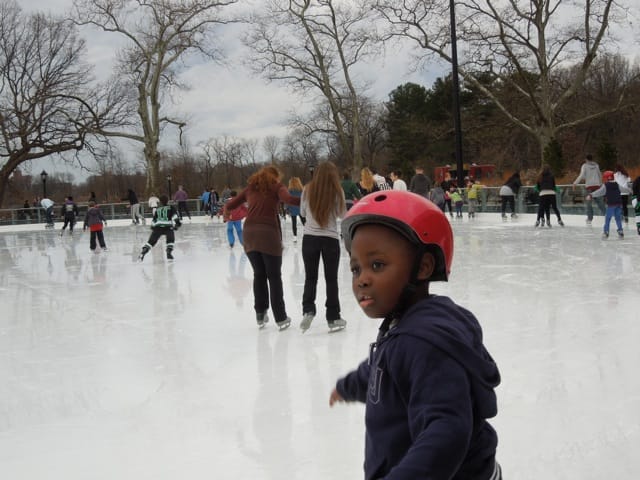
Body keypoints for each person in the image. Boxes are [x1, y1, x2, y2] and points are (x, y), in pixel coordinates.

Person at [329, 190, 501, 480]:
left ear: (422, 267)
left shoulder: (424, 344)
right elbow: (381, 368)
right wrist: (349, 386)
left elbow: (445, 431)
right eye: (356, 268)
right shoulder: (405, 327)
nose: (362, 279)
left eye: (377, 265)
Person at [223, 165, 301, 330]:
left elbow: (230, 205)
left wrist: (226, 213)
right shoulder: (277, 186)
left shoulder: (251, 188)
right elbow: (289, 200)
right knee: (274, 276)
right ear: (275, 177)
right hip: (268, 234)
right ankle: (280, 318)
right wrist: (311, 199)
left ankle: (260, 313)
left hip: (249, 234)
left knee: (259, 274)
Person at [298, 161, 347, 333]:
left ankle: (308, 310)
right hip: (330, 239)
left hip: (310, 238)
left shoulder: (307, 189)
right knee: (331, 279)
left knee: (310, 278)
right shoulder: (337, 191)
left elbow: (302, 213)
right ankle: (333, 317)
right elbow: (343, 215)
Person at [138, 195, 181, 261]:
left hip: (157, 227)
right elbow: (175, 216)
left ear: (160, 202)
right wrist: (177, 224)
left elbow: (154, 220)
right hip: (168, 227)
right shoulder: (171, 207)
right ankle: (168, 252)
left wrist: (153, 228)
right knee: (170, 240)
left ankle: (143, 252)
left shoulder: (158, 209)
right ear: (167, 201)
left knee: (151, 242)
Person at [589, 170, 630, 239]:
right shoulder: (617, 185)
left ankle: (606, 232)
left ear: (607, 178)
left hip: (611, 205)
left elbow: (599, 192)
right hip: (618, 204)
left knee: (608, 219)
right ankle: (620, 231)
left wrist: (591, 195)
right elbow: (624, 190)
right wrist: (631, 190)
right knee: (618, 218)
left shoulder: (606, 186)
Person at [572, 154, 603, 224]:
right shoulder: (596, 165)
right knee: (600, 203)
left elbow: (582, 175)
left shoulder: (584, 166)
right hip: (597, 186)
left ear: (586, 159)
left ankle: (589, 218)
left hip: (589, 187)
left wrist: (575, 183)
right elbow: (599, 174)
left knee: (589, 203)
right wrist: (600, 184)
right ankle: (607, 215)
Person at [286, 177, 305, 242]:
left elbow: (288, 201)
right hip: (300, 208)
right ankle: (307, 233)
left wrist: (287, 209)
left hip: (293, 208)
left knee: (294, 223)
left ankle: (295, 237)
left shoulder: (289, 191)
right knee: (304, 222)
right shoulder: (301, 190)